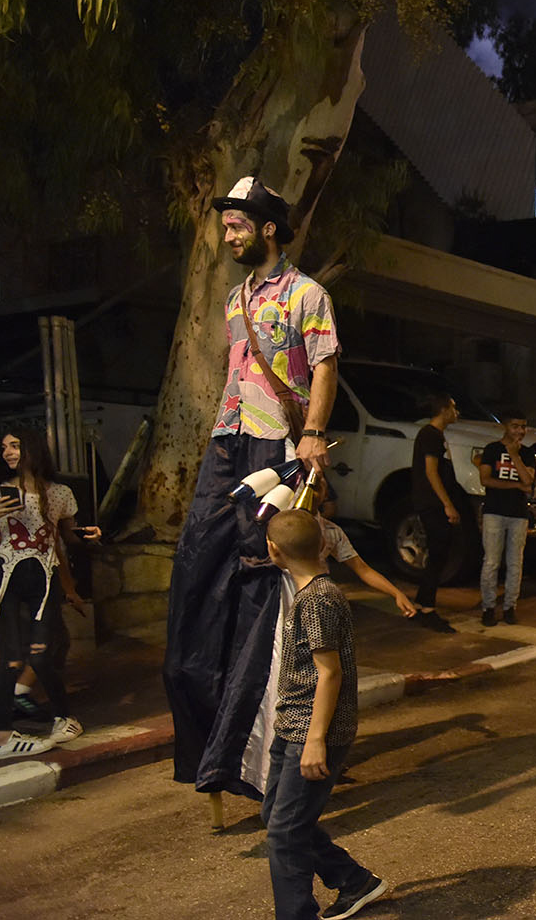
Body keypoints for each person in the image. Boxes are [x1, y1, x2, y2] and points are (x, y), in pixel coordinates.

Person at [163, 176, 341, 799]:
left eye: (237, 223)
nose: (227, 232)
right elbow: (235, 375)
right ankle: (209, 743)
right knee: (196, 569)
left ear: (267, 227)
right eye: (226, 223)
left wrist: (312, 434)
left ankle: (270, 744)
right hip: (229, 438)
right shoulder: (236, 298)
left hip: (276, 444)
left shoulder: (307, 293)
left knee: (267, 583)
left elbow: (324, 367)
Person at [261, 509, 387, 920]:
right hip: (293, 724)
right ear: (323, 545)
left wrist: (315, 740)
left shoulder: (318, 600)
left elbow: (328, 672)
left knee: (285, 833)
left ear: (273, 550)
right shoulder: (311, 593)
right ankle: (354, 881)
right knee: (277, 818)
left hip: (312, 731)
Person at [0, 428, 97, 758]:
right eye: (4, 447)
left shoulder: (60, 493)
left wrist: (90, 535)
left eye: (15, 445)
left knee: (39, 655)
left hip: (44, 577)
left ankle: (65, 719)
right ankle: (2, 739)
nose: (7, 452)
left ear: (33, 448)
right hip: (4, 577)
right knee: (9, 660)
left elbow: (66, 539)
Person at [409, 394, 465, 629]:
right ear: (442, 410)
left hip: (433, 502)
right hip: (432, 503)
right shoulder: (431, 435)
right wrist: (447, 504)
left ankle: (424, 601)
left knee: (440, 552)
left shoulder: (435, 435)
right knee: (438, 553)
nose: (457, 412)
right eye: (453, 408)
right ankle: (428, 608)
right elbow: (431, 472)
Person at [476, 410, 536, 626]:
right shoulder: (492, 449)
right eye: (515, 426)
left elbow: (528, 481)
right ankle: (488, 607)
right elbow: (485, 479)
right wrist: (516, 485)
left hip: (519, 513)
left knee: (515, 563)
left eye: (523, 426)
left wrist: (514, 456)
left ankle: (510, 606)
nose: (520, 431)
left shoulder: (527, 453)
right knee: (491, 561)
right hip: (494, 510)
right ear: (505, 426)